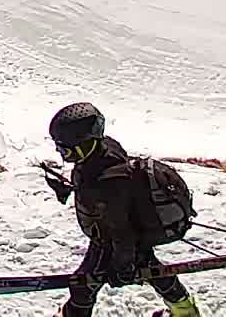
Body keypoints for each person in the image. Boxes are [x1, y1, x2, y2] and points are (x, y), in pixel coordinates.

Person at [41, 103, 201, 317]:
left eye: (65, 149)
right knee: (150, 268)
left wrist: (123, 267)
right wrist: (72, 188)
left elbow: (121, 231)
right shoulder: (105, 149)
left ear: (85, 144)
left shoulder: (105, 185)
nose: (61, 154)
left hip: (112, 237)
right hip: (130, 226)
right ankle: (185, 310)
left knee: (83, 285)